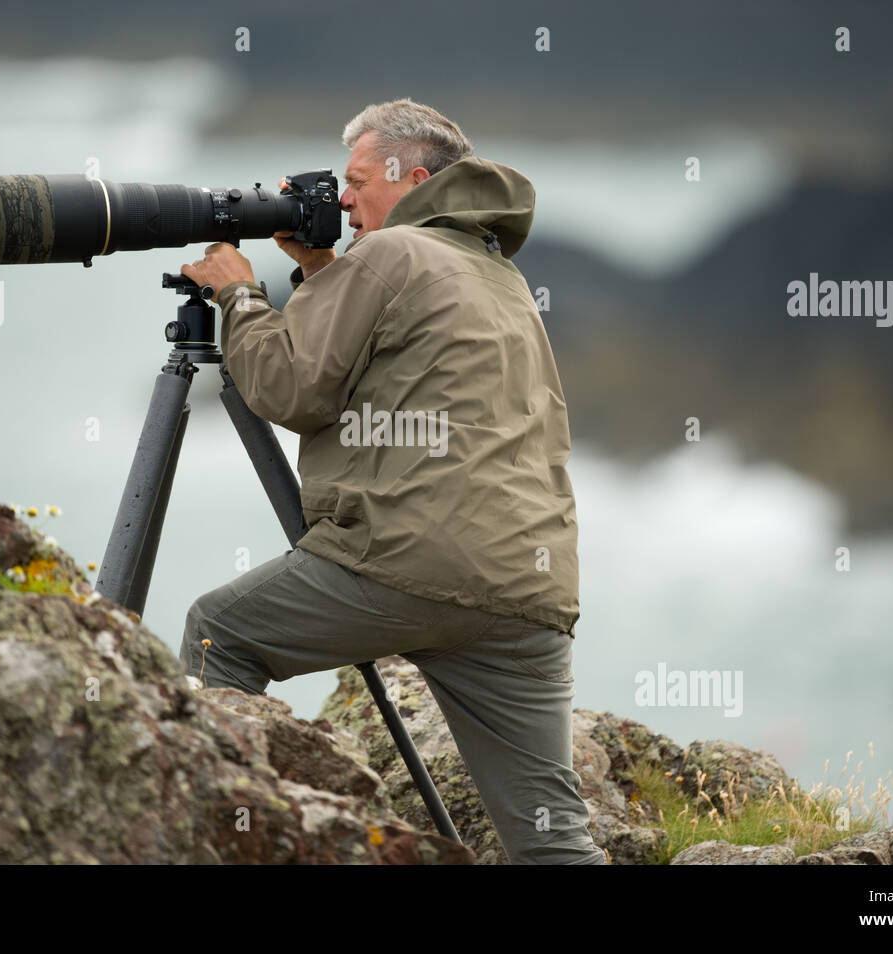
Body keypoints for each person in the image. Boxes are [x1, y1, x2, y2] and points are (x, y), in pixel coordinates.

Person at [178, 98, 605, 864]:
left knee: (220, 635)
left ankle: (214, 836)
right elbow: (399, 349)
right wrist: (320, 271)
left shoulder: (392, 256)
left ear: (409, 178)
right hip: (526, 592)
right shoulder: (500, 276)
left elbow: (292, 390)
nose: (341, 200)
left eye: (356, 180)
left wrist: (240, 293)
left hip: (408, 565)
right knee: (550, 834)